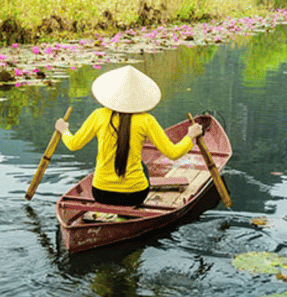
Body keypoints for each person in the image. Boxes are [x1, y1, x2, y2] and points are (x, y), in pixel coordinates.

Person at [55, 65, 202, 206]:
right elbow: (173, 153)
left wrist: (64, 130)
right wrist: (190, 135)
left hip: (100, 193)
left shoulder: (99, 116)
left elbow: (73, 144)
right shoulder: (146, 120)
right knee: (143, 167)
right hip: (134, 195)